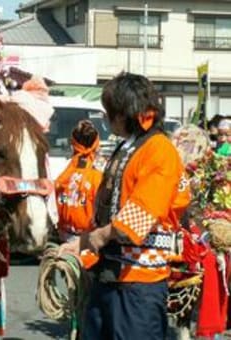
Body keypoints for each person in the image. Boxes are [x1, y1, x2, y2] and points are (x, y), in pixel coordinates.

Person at [58, 72, 191, 340]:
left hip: (139, 285)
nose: (107, 120)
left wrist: (95, 237)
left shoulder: (160, 150)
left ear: (125, 114)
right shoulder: (128, 147)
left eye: (110, 113)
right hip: (109, 276)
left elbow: (139, 216)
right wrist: (82, 242)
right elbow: (109, 208)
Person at [55, 119, 103, 243]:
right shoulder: (100, 176)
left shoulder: (63, 175)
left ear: (73, 145)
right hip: (90, 242)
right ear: (97, 145)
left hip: (63, 239)